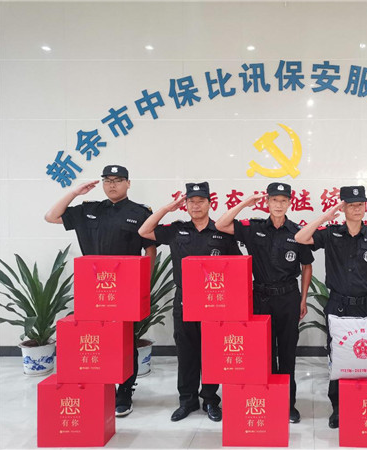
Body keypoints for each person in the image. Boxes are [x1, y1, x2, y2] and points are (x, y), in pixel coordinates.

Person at [44, 164, 156, 417]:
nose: (112, 185)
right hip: (92, 288)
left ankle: (125, 391)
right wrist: (75, 193)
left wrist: (143, 285)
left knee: (125, 340)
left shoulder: (139, 213)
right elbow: (51, 216)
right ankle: (97, 388)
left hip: (124, 289)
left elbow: (150, 250)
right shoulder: (89, 209)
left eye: (118, 180)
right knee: (94, 339)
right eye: (107, 180)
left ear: (128, 183)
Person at [138, 182, 240, 423]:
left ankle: (211, 400)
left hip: (214, 302)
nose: (195, 205)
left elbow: (237, 267)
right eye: (191, 201)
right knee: (186, 352)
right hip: (185, 299)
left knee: (212, 352)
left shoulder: (222, 231)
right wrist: (167, 208)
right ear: (185, 205)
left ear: (209, 204)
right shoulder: (177, 230)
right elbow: (144, 231)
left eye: (200, 201)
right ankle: (187, 400)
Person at [215, 182, 313, 424]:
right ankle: (268, 399)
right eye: (274, 200)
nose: (278, 205)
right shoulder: (254, 228)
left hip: (288, 298)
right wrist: (245, 203)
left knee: (287, 353)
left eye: (283, 201)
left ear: (289, 203)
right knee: (263, 354)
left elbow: (306, 266)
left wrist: (303, 299)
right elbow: (221, 225)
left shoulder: (297, 232)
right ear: (267, 202)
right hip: (260, 298)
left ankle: (288, 404)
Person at [294, 185, 367, 429]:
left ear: (366, 207)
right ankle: (337, 407)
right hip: (338, 304)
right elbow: (301, 238)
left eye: (361, 204)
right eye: (352, 205)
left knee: (365, 355)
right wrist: (326, 217)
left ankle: (362, 402)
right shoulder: (331, 233)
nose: (357, 209)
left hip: (366, 306)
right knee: (338, 356)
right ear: (343, 208)